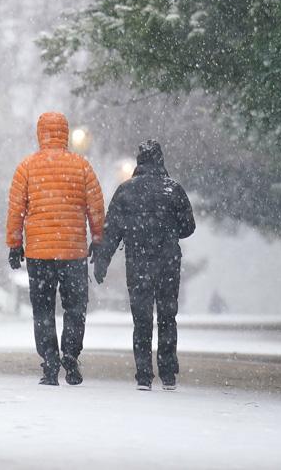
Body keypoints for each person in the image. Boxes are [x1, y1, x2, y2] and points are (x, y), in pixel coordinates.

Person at [6, 111, 105, 386]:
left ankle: (49, 361)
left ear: (40, 134)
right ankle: (71, 353)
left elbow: (16, 210)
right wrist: (98, 239)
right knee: (75, 307)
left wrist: (15, 245)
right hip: (73, 251)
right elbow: (95, 207)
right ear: (65, 133)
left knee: (43, 307)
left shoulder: (27, 167)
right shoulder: (81, 166)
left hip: (39, 253)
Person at [92, 140, 195, 391]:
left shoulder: (126, 190)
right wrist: (169, 234)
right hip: (168, 261)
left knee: (142, 318)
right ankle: (168, 373)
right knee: (168, 317)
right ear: (161, 160)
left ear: (139, 161)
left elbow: (112, 229)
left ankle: (143, 375)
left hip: (137, 263)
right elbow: (189, 227)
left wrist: (102, 260)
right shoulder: (174, 190)